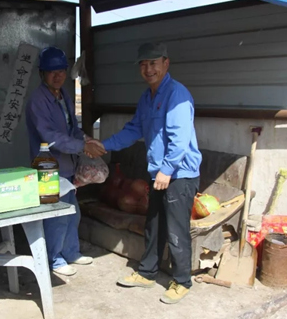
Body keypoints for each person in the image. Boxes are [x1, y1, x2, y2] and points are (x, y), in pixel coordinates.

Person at [90, 42, 201, 304]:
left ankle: (182, 281)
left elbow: (180, 139)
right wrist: (105, 145)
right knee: (154, 225)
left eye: (153, 63)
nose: (148, 69)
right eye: (143, 64)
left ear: (166, 63)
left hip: (179, 174)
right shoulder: (147, 97)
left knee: (176, 229)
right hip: (160, 173)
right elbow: (133, 129)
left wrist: (167, 170)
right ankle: (148, 273)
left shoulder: (177, 94)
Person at [26, 46, 105, 276]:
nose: (57, 75)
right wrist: (82, 146)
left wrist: (87, 140)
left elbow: (72, 129)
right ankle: (55, 259)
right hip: (48, 168)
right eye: (52, 71)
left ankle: (71, 252)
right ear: (42, 73)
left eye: (61, 70)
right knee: (56, 217)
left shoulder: (64, 96)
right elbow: (49, 136)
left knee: (72, 212)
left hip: (67, 166)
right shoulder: (38, 101)